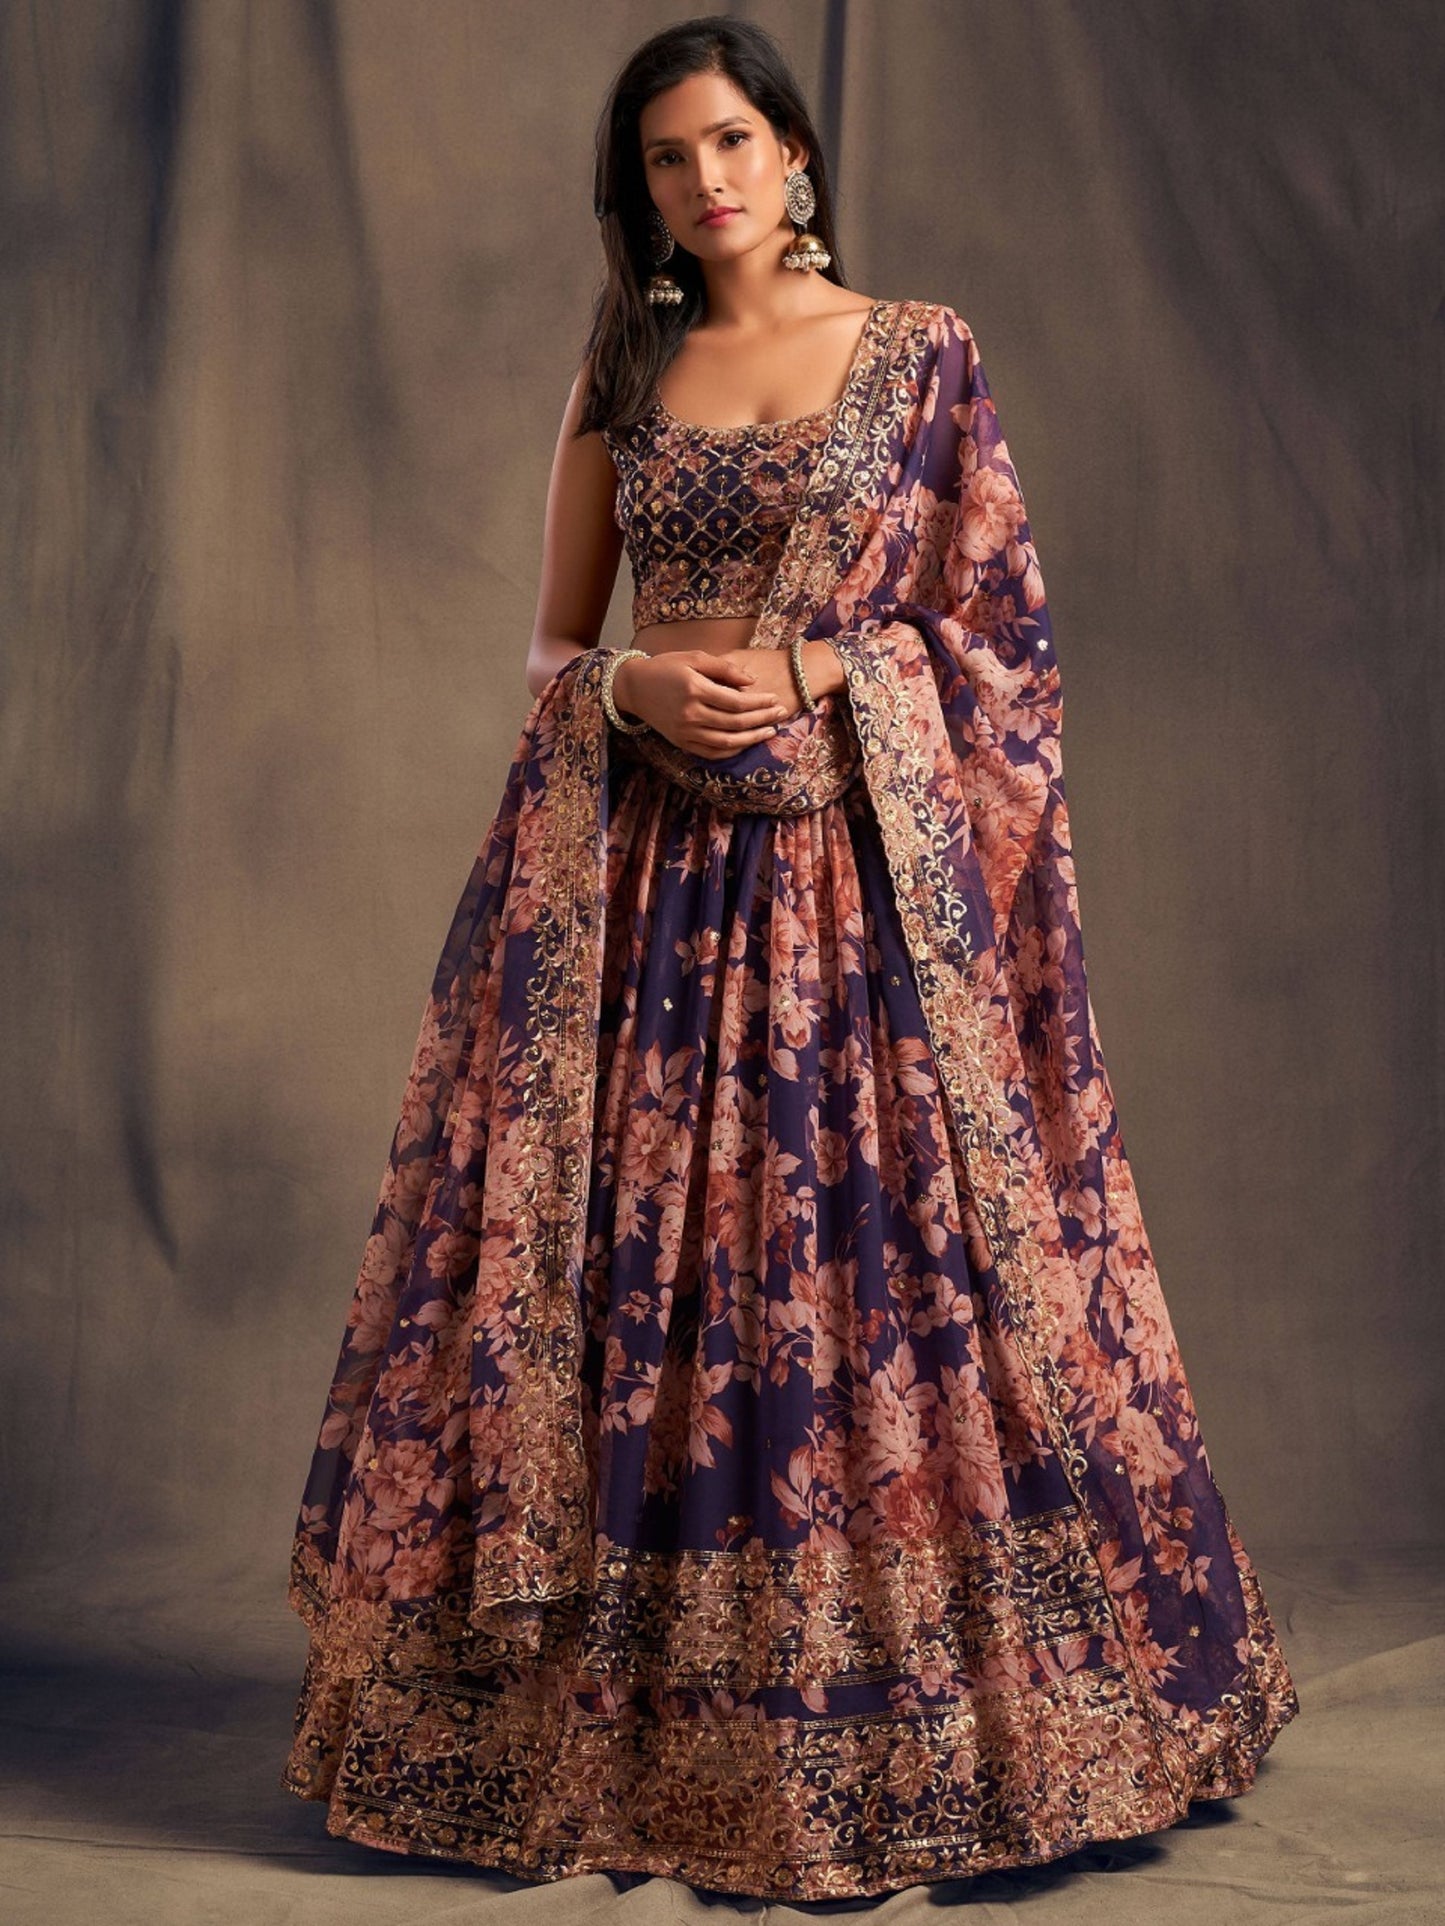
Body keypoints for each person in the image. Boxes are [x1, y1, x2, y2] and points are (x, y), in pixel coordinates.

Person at [279, 14, 1299, 1902]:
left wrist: (832, 664)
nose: (706, 180)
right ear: (639, 189)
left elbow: (999, 635)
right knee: (630, 1284)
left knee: (852, 1269)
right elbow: (552, 648)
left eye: (732, 140)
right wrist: (631, 687)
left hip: (851, 901)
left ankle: (910, 1723)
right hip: (639, 900)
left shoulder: (918, 355)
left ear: (796, 151)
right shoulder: (624, 366)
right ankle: (621, 1736)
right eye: (667, 158)